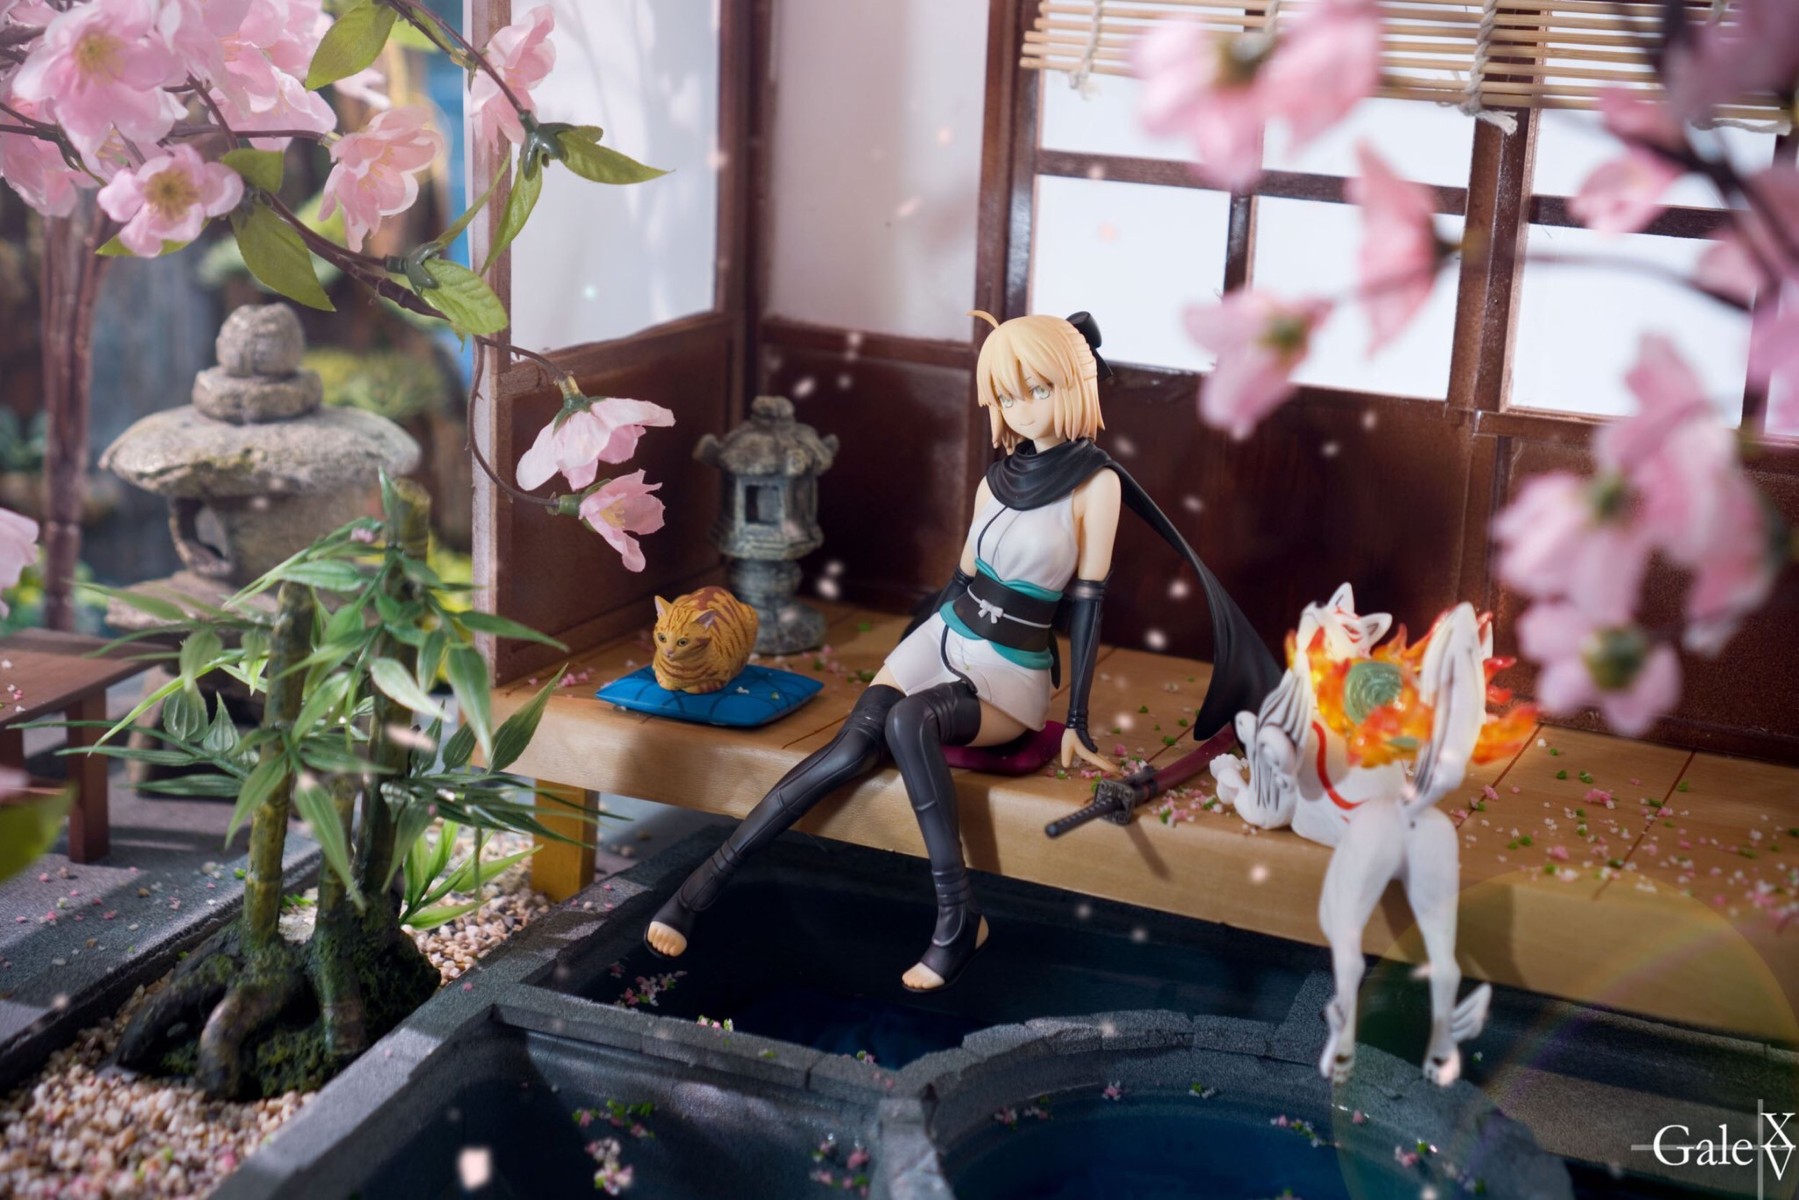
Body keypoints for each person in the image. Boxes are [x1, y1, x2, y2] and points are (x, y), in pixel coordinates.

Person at [644, 311, 1280, 992]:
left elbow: (1089, 602)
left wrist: (1076, 721)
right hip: (946, 633)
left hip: (1010, 668)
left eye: (1037, 390)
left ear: (1073, 385)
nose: (1021, 408)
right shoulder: (994, 480)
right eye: (1006, 395)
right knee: (850, 747)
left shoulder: (1097, 484)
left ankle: (957, 918)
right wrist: (909, 649)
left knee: (907, 721)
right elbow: (961, 578)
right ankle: (701, 887)